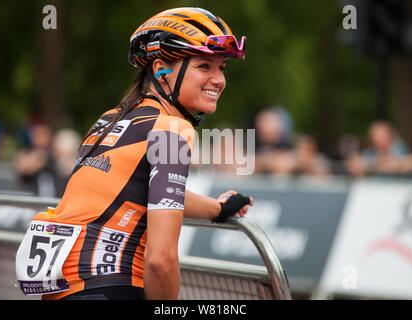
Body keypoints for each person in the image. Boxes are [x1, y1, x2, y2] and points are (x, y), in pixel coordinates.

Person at [17, 7, 253, 300]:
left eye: (222, 68)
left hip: (65, 291)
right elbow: (161, 260)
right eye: (204, 66)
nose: (219, 79)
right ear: (160, 71)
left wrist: (217, 209)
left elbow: (140, 191)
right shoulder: (172, 129)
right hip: (112, 284)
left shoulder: (110, 119)